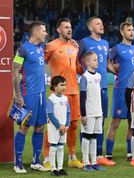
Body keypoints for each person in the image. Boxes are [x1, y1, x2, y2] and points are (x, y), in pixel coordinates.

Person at [44, 17, 83, 169]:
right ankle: (47, 158)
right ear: (58, 30)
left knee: (73, 125)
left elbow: (78, 68)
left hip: (74, 90)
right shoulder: (51, 46)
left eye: (70, 27)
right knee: (54, 126)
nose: (69, 29)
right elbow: (41, 61)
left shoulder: (74, 47)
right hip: (59, 93)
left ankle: (72, 157)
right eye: (66, 27)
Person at [78, 16, 116, 166]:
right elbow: (77, 61)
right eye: (97, 24)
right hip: (89, 88)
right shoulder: (84, 42)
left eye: (102, 23)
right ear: (90, 27)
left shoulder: (106, 43)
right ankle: (85, 156)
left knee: (100, 120)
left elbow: (107, 64)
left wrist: (116, 73)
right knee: (87, 120)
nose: (101, 25)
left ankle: (98, 155)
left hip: (103, 87)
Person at [12, 21, 49, 173]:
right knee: (24, 127)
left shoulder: (41, 47)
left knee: (40, 127)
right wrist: (18, 95)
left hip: (41, 94)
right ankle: (18, 163)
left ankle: (36, 161)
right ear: (35, 33)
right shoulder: (22, 50)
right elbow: (15, 72)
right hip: (28, 95)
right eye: (44, 31)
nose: (46, 33)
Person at [106, 22, 134, 162]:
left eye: (132, 30)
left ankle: (130, 153)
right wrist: (113, 71)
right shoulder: (116, 49)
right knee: (116, 122)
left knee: (132, 122)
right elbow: (106, 61)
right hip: (121, 90)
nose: (131, 32)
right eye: (128, 30)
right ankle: (108, 154)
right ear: (122, 32)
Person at [80, 51, 106, 172]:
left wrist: (101, 111)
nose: (97, 62)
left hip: (97, 111)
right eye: (94, 60)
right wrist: (83, 114)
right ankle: (86, 162)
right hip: (89, 112)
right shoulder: (84, 77)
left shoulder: (98, 76)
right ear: (87, 62)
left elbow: (98, 94)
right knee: (86, 136)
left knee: (94, 136)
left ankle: (94, 161)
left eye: (97, 59)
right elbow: (82, 97)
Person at [47, 76, 70, 176]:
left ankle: (60, 167)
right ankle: (53, 168)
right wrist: (58, 125)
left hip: (63, 127)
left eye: (65, 85)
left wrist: (67, 125)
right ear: (55, 86)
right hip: (54, 127)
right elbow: (50, 114)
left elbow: (68, 112)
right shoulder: (51, 99)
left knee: (61, 147)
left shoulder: (65, 98)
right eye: (62, 85)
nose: (64, 87)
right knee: (53, 147)